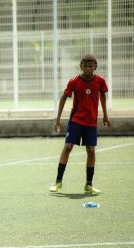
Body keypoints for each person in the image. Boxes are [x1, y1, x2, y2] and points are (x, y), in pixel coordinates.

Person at [49, 54, 110, 194]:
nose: (88, 68)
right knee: (68, 147)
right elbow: (64, 97)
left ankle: (88, 184)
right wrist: (58, 119)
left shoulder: (100, 81)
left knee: (91, 150)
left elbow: (102, 95)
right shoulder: (74, 81)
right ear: (81, 66)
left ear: (95, 67)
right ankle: (58, 182)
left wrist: (105, 115)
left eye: (91, 66)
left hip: (91, 122)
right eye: (85, 66)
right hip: (76, 120)